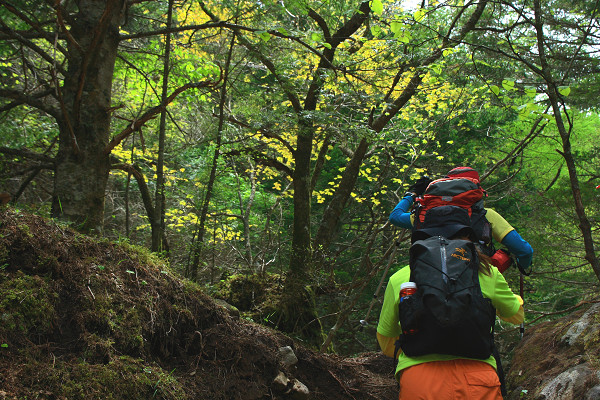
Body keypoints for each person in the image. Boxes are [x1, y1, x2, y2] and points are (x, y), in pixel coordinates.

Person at [377, 207, 525, 399]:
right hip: (478, 381)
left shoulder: (401, 277)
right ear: (469, 237)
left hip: (420, 381)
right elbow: (515, 315)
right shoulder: (487, 272)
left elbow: (385, 336)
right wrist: (517, 301)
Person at [389, 166, 533, 272]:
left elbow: (395, 217)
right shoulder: (487, 215)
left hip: (428, 275)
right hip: (474, 278)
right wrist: (522, 264)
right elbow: (524, 251)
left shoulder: (426, 215)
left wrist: (411, 194)